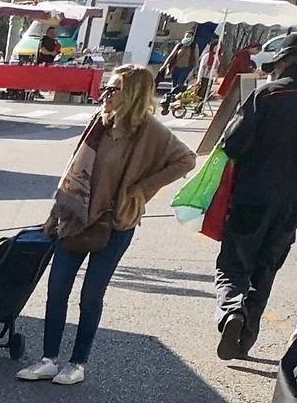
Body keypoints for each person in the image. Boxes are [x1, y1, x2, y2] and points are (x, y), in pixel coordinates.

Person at [18, 67, 195, 386]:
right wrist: (54, 214)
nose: (106, 95)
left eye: (113, 90)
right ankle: (48, 358)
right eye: (107, 88)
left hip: (115, 223)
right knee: (57, 288)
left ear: (133, 95)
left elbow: (186, 160)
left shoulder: (150, 131)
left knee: (91, 294)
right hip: (76, 217)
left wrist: (140, 189)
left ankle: (77, 363)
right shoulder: (99, 123)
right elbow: (72, 171)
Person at [214, 33, 297, 360]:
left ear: (285, 62)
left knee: (234, 261)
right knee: (267, 264)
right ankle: (245, 338)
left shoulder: (267, 95)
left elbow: (233, 143)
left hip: (254, 193)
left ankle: (232, 308)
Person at [164, 31, 198, 108]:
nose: (187, 38)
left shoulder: (194, 46)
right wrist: (164, 65)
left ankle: (178, 102)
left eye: (189, 36)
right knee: (174, 84)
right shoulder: (180, 45)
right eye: (186, 36)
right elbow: (172, 55)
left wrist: (195, 70)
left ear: (192, 37)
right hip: (176, 67)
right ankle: (171, 100)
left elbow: (196, 58)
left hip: (186, 67)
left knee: (180, 83)